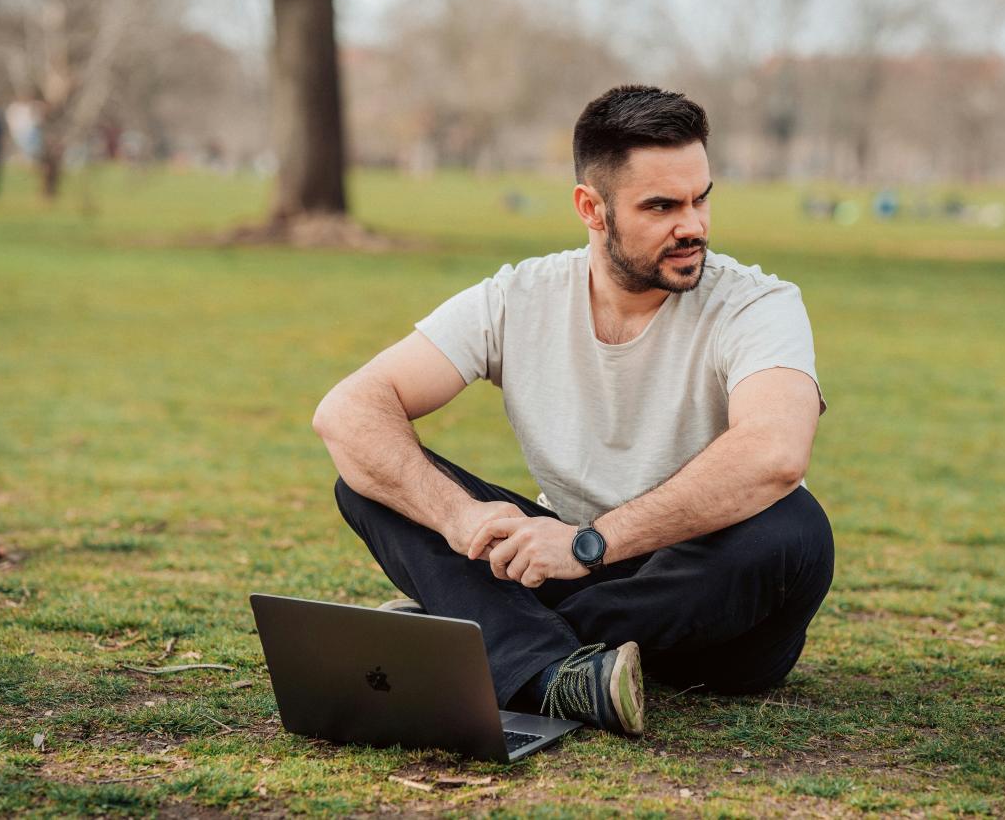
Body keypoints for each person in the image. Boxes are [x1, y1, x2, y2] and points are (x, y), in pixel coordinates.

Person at [314, 85, 834, 738]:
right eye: (662, 206)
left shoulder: (760, 304)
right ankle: (554, 667)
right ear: (592, 208)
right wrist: (460, 518)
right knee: (373, 479)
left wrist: (590, 545)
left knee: (793, 529)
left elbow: (775, 451)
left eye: (701, 198)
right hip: (566, 564)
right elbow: (348, 410)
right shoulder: (518, 297)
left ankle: (487, 642)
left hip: (711, 602)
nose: (694, 225)